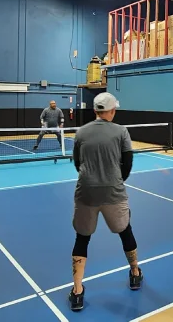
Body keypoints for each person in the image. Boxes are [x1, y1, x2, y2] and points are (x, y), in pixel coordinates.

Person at [68, 92, 142, 311]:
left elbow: (77, 162)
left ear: (95, 111)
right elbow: (127, 163)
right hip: (113, 193)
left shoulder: (81, 132)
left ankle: (78, 291)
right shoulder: (121, 132)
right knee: (125, 231)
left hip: (86, 193)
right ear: (112, 111)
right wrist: (116, 180)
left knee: (82, 238)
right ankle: (135, 273)